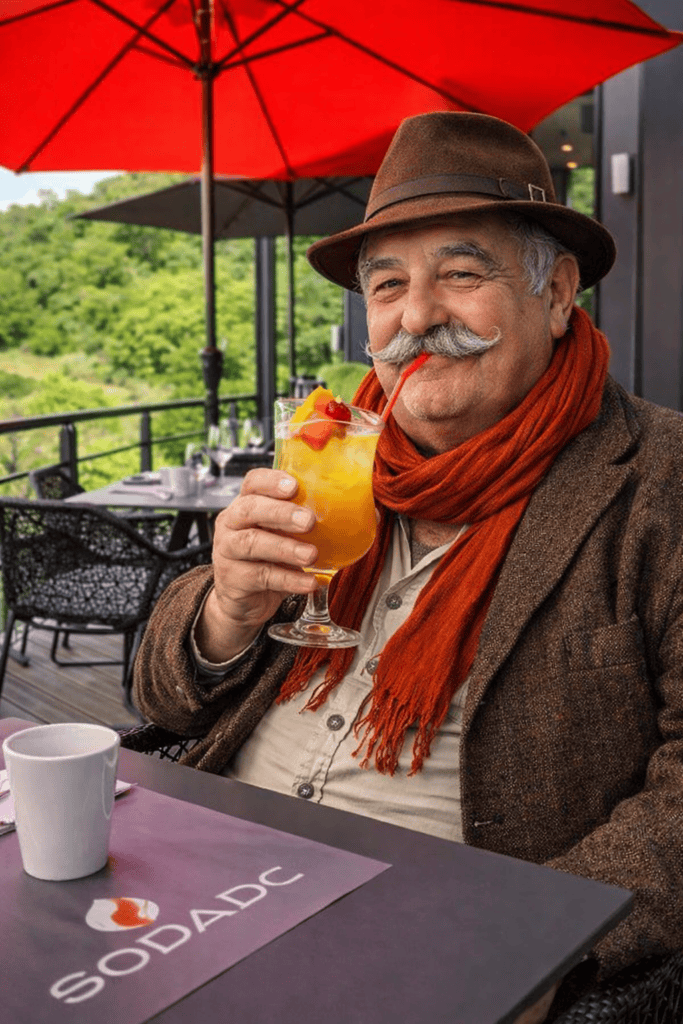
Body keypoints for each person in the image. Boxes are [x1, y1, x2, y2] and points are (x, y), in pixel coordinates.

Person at [133, 112, 683, 1022]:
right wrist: (225, 609)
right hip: (212, 873)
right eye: (385, 286)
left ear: (556, 296)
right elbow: (162, 698)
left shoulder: (658, 480)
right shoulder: (331, 453)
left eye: (460, 274)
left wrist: (536, 941)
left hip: (438, 930)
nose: (415, 317)